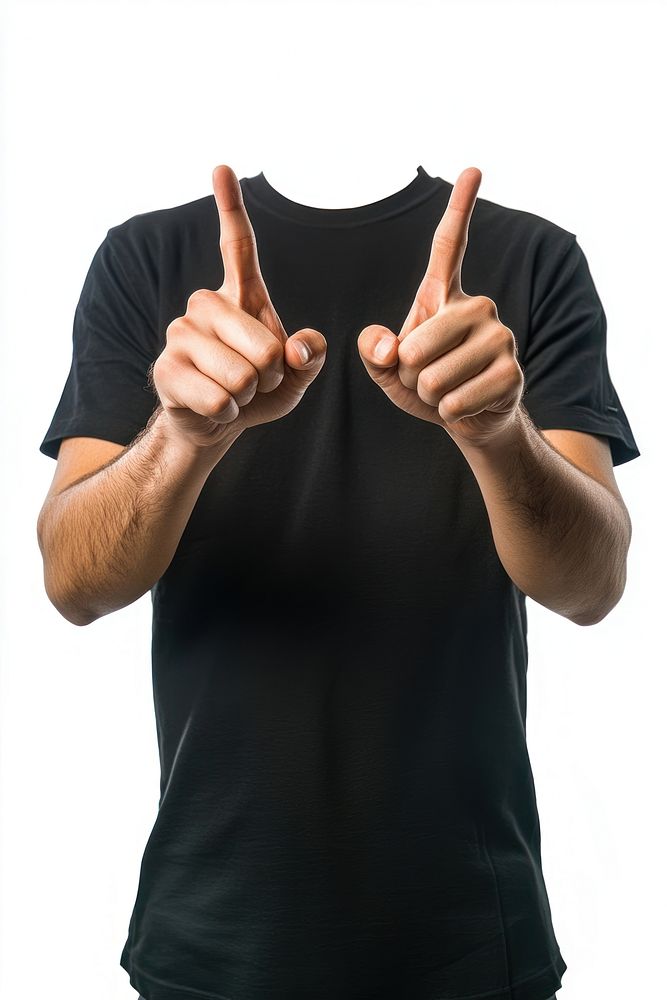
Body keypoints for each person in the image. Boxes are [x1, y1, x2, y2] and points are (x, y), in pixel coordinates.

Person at [37, 163, 640, 1000]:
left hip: (469, 941)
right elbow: (75, 581)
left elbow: (591, 583)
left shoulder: (534, 257)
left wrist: (498, 431)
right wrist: (183, 436)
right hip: (210, 932)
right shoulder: (148, 256)